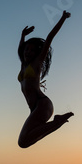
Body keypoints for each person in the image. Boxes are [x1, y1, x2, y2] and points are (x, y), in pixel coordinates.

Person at [17, 10, 73, 148]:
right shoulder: (24, 65)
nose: (27, 52)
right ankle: (57, 122)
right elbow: (20, 49)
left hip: (43, 105)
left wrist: (63, 18)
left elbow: (50, 37)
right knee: (26, 141)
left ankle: (57, 122)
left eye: (31, 50)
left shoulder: (37, 63)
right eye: (26, 49)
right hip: (34, 108)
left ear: (37, 53)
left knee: (22, 142)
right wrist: (22, 35)